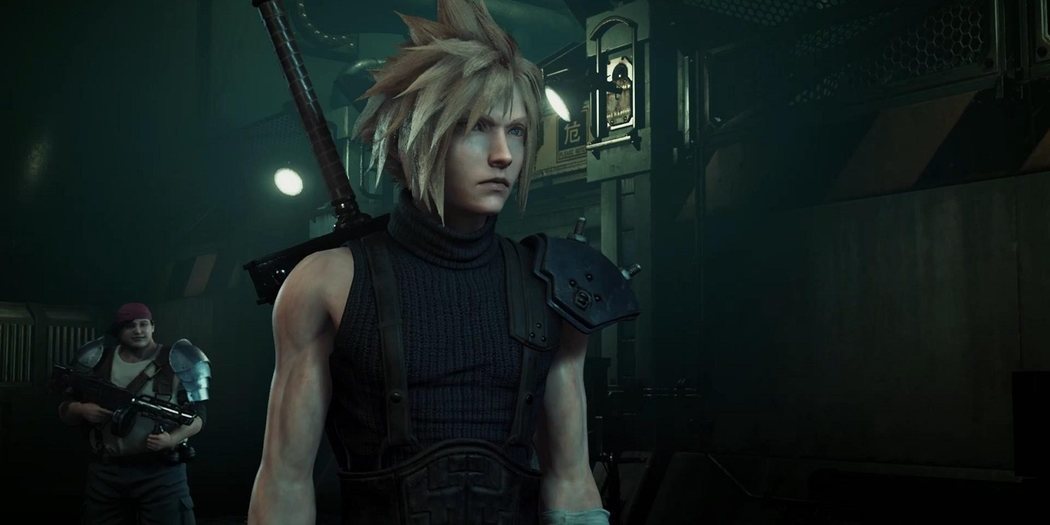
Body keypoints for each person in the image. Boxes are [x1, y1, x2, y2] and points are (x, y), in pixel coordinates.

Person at [248, 1, 637, 523]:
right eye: (476, 127)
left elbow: (569, 480)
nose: (503, 154)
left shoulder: (550, 286)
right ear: (415, 138)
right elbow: (284, 479)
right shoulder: (327, 284)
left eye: (517, 131)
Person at [58, 302, 212, 525]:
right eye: (130, 325)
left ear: (153, 326)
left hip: (162, 473)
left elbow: (198, 416)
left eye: (143, 324)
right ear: (119, 330)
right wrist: (80, 409)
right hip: (107, 472)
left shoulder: (180, 359)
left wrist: (172, 439)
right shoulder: (97, 359)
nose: (138, 331)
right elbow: (65, 410)